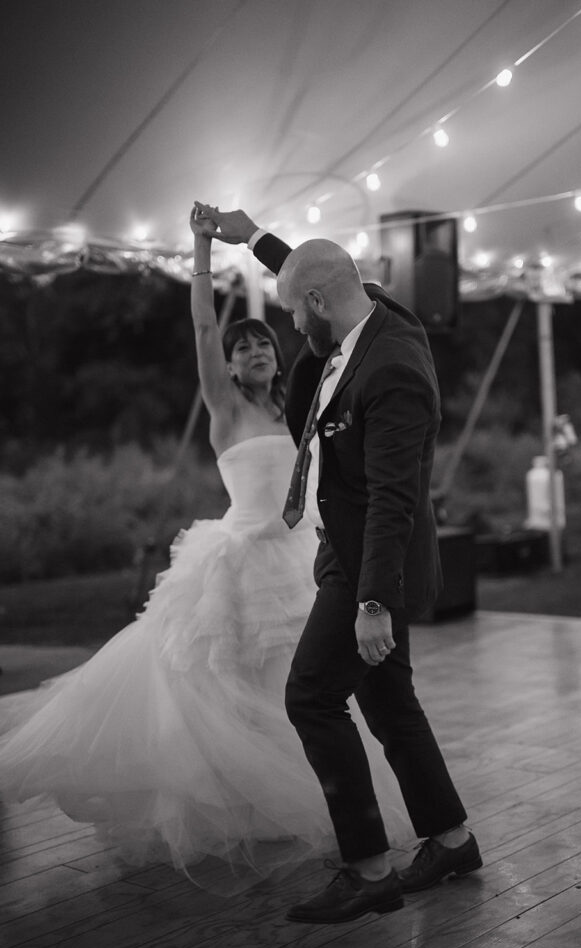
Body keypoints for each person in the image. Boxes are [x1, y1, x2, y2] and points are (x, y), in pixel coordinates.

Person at [0, 207, 408, 884]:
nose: (253, 351)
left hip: (301, 554)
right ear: (226, 363)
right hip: (239, 559)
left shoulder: (296, 404)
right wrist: (199, 248)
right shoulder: (224, 408)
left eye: (262, 344)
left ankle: (291, 800)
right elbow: (200, 323)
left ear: (277, 355)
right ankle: (231, 800)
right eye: (241, 346)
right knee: (227, 688)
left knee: (292, 686)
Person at [195, 203, 481, 925]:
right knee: (388, 701)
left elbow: (394, 497)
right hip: (344, 548)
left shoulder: (391, 369)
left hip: (368, 565)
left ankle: (368, 870)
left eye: (294, 313)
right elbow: (320, 271)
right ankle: (450, 841)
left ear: (320, 305)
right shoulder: (368, 312)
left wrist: (373, 601)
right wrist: (256, 238)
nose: (292, 327)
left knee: (311, 697)